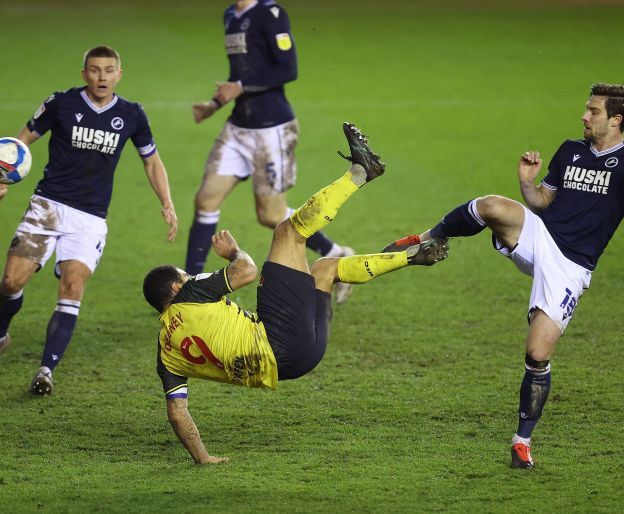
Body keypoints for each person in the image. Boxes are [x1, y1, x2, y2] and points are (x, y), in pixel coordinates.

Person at [383, 83, 624, 468]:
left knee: (537, 353)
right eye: (586, 109)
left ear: (617, 120)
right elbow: (542, 202)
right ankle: (425, 240)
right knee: (490, 205)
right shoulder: (571, 150)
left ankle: (522, 443)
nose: (584, 116)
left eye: (594, 111)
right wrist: (525, 183)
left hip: (571, 266)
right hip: (541, 234)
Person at [143, 123, 449, 464]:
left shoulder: (165, 353)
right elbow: (247, 271)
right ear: (175, 287)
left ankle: (411, 255)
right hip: (279, 339)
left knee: (325, 270)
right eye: (185, 276)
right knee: (287, 233)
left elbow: (177, 413)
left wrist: (203, 457)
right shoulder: (189, 296)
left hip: (301, 360)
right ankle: (360, 172)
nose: (190, 278)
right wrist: (232, 254)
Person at [0, 45, 179, 396]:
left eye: (109, 70)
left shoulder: (132, 114)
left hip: (90, 218)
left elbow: (151, 161)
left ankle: (45, 371)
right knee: (10, 282)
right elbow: (19, 143)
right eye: (95, 70)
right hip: (47, 206)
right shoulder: (61, 103)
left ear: (118, 75)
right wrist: (3, 183)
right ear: (84, 73)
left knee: (71, 289)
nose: (102, 76)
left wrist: (167, 203)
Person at [188, 0, 357, 304]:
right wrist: (215, 104)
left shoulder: (270, 13)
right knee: (206, 199)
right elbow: (241, 72)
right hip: (238, 127)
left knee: (271, 215)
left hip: (272, 130)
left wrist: (239, 87)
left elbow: (287, 68)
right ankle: (190, 286)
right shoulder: (231, 14)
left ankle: (335, 254)